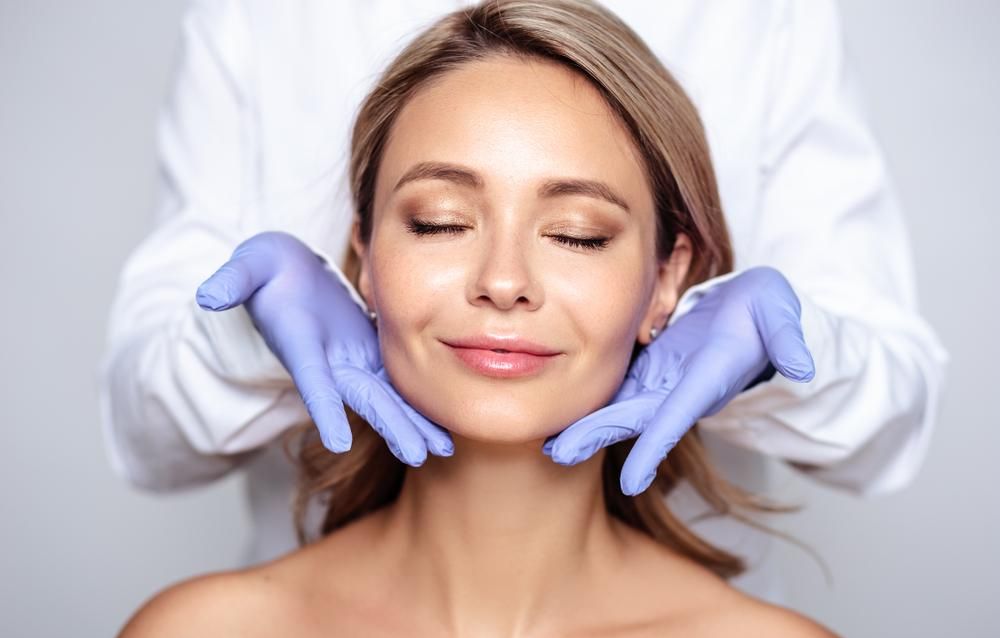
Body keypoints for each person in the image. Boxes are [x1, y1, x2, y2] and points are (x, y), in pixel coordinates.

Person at [98, 0, 948, 604]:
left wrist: (774, 355)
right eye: (436, 222)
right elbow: (145, 439)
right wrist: (245, 338)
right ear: (359, 251)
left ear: (667, 275)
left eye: (578, 233)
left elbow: (888, 426)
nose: (504, 281)